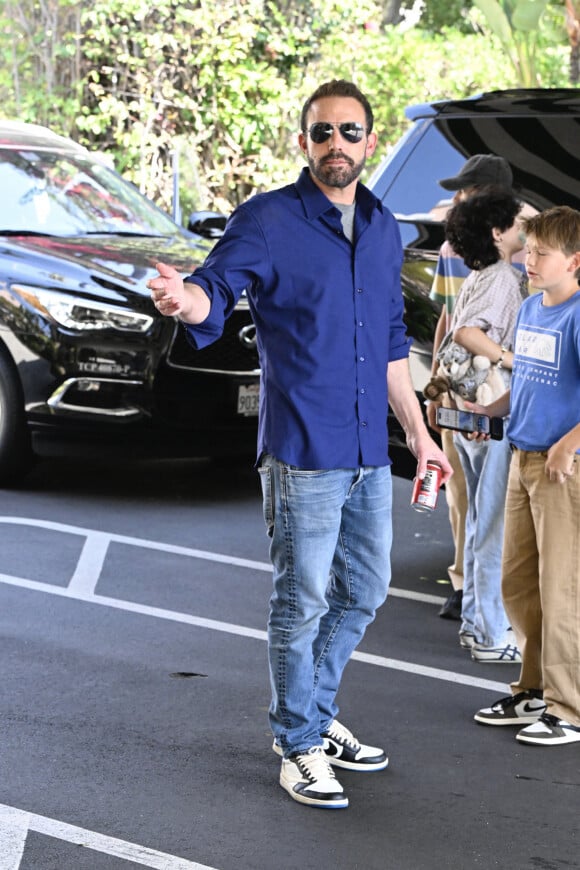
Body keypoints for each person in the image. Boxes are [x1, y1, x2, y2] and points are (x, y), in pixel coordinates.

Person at [147, 80, 451, 809]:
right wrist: (184, 298)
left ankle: (313, 710)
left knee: (364, 590)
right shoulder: (269, 220)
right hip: (302, 450)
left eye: (349, 132)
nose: (335, 145)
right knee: (302, 599)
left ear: (370, 142)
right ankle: (298, 742)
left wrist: (420, 434)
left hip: (367, 452)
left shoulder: (382, 228)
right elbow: (213, 292)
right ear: (303, 142)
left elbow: (385, 345)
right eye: (322, 133)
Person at [472, 205, 580, 744]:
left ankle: (568, 708)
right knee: (519, 583)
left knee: (563, 591)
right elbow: (533, 380)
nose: (529, 259)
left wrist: (567, 446)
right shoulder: (534, 307)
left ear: (575, 261)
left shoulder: (578, 313)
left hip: (565, 470)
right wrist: (493, 413)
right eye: (528, 249)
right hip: (522, 457)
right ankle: (532, 691)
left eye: (542, 253)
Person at [435, 190, 528, 661]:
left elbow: (450, 330)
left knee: (478, 519)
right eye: (516, 221)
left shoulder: (477, 276)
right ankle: (492, 633)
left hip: (471, 407)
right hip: (495, 407)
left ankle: (476, 621)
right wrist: (511, 358)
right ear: (497, 232)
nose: (524, 228)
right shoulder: (504, 280)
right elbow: (466, 333)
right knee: (495, 522)